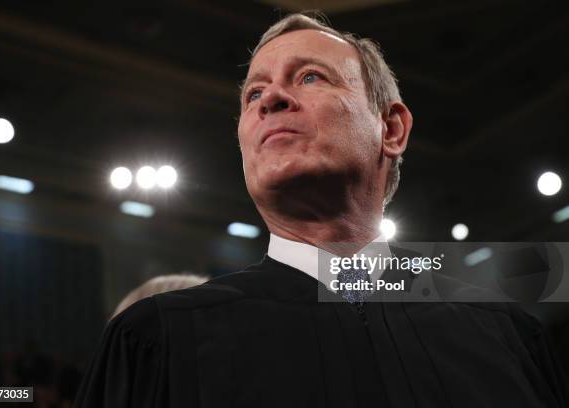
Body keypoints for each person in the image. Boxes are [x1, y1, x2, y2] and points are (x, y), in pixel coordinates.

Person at [74, 13, 568, 407]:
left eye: (310, 76)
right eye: (253, 94)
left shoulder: (507, 335)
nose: (270, 99)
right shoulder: (157, 340)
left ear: (391, 129)